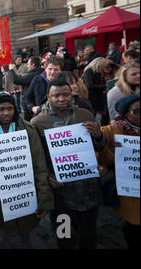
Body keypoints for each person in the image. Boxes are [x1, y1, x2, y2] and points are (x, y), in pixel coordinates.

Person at [0, 92, 54, 249]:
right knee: (1, 238)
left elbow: (40, 166)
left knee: (29, 237)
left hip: (26, 195)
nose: (6, 113)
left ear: (15, 109)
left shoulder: (28, 129)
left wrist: (44, 199)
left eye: (10, 108)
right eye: (0, 109)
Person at [30, 79, 105, 249]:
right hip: (60, 195)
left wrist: (99, 136)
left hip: (88, 191)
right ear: (48, 97)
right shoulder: (38, 122)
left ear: (71, 95)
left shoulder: (85, 115)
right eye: (56, 95)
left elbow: (99, 147)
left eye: (65, 94)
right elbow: (37, 158)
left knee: (89, 237)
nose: (61, 99)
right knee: (65, 238)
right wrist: (48, 176)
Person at [97, 94, 140, 249]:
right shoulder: (109, 131)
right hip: (127, 193)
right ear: (125, 114)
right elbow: (100, 160)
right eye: (137, 112)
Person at [8, 56, 44, 121]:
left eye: (28, 64)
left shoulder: (33, 75)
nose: (27, 66)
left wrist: (11, 70)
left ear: (33, 65)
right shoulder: (40, 72)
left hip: (32, 105)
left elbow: (16, 80)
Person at [83, 57, 117, 125]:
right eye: (105, 66)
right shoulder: (89, 70)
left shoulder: (99, 72)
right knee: (94, 114)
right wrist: (106, 85)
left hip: (100, 96)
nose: (107, 68)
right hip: (92, 97)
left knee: (103, 115)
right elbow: (89, 85)